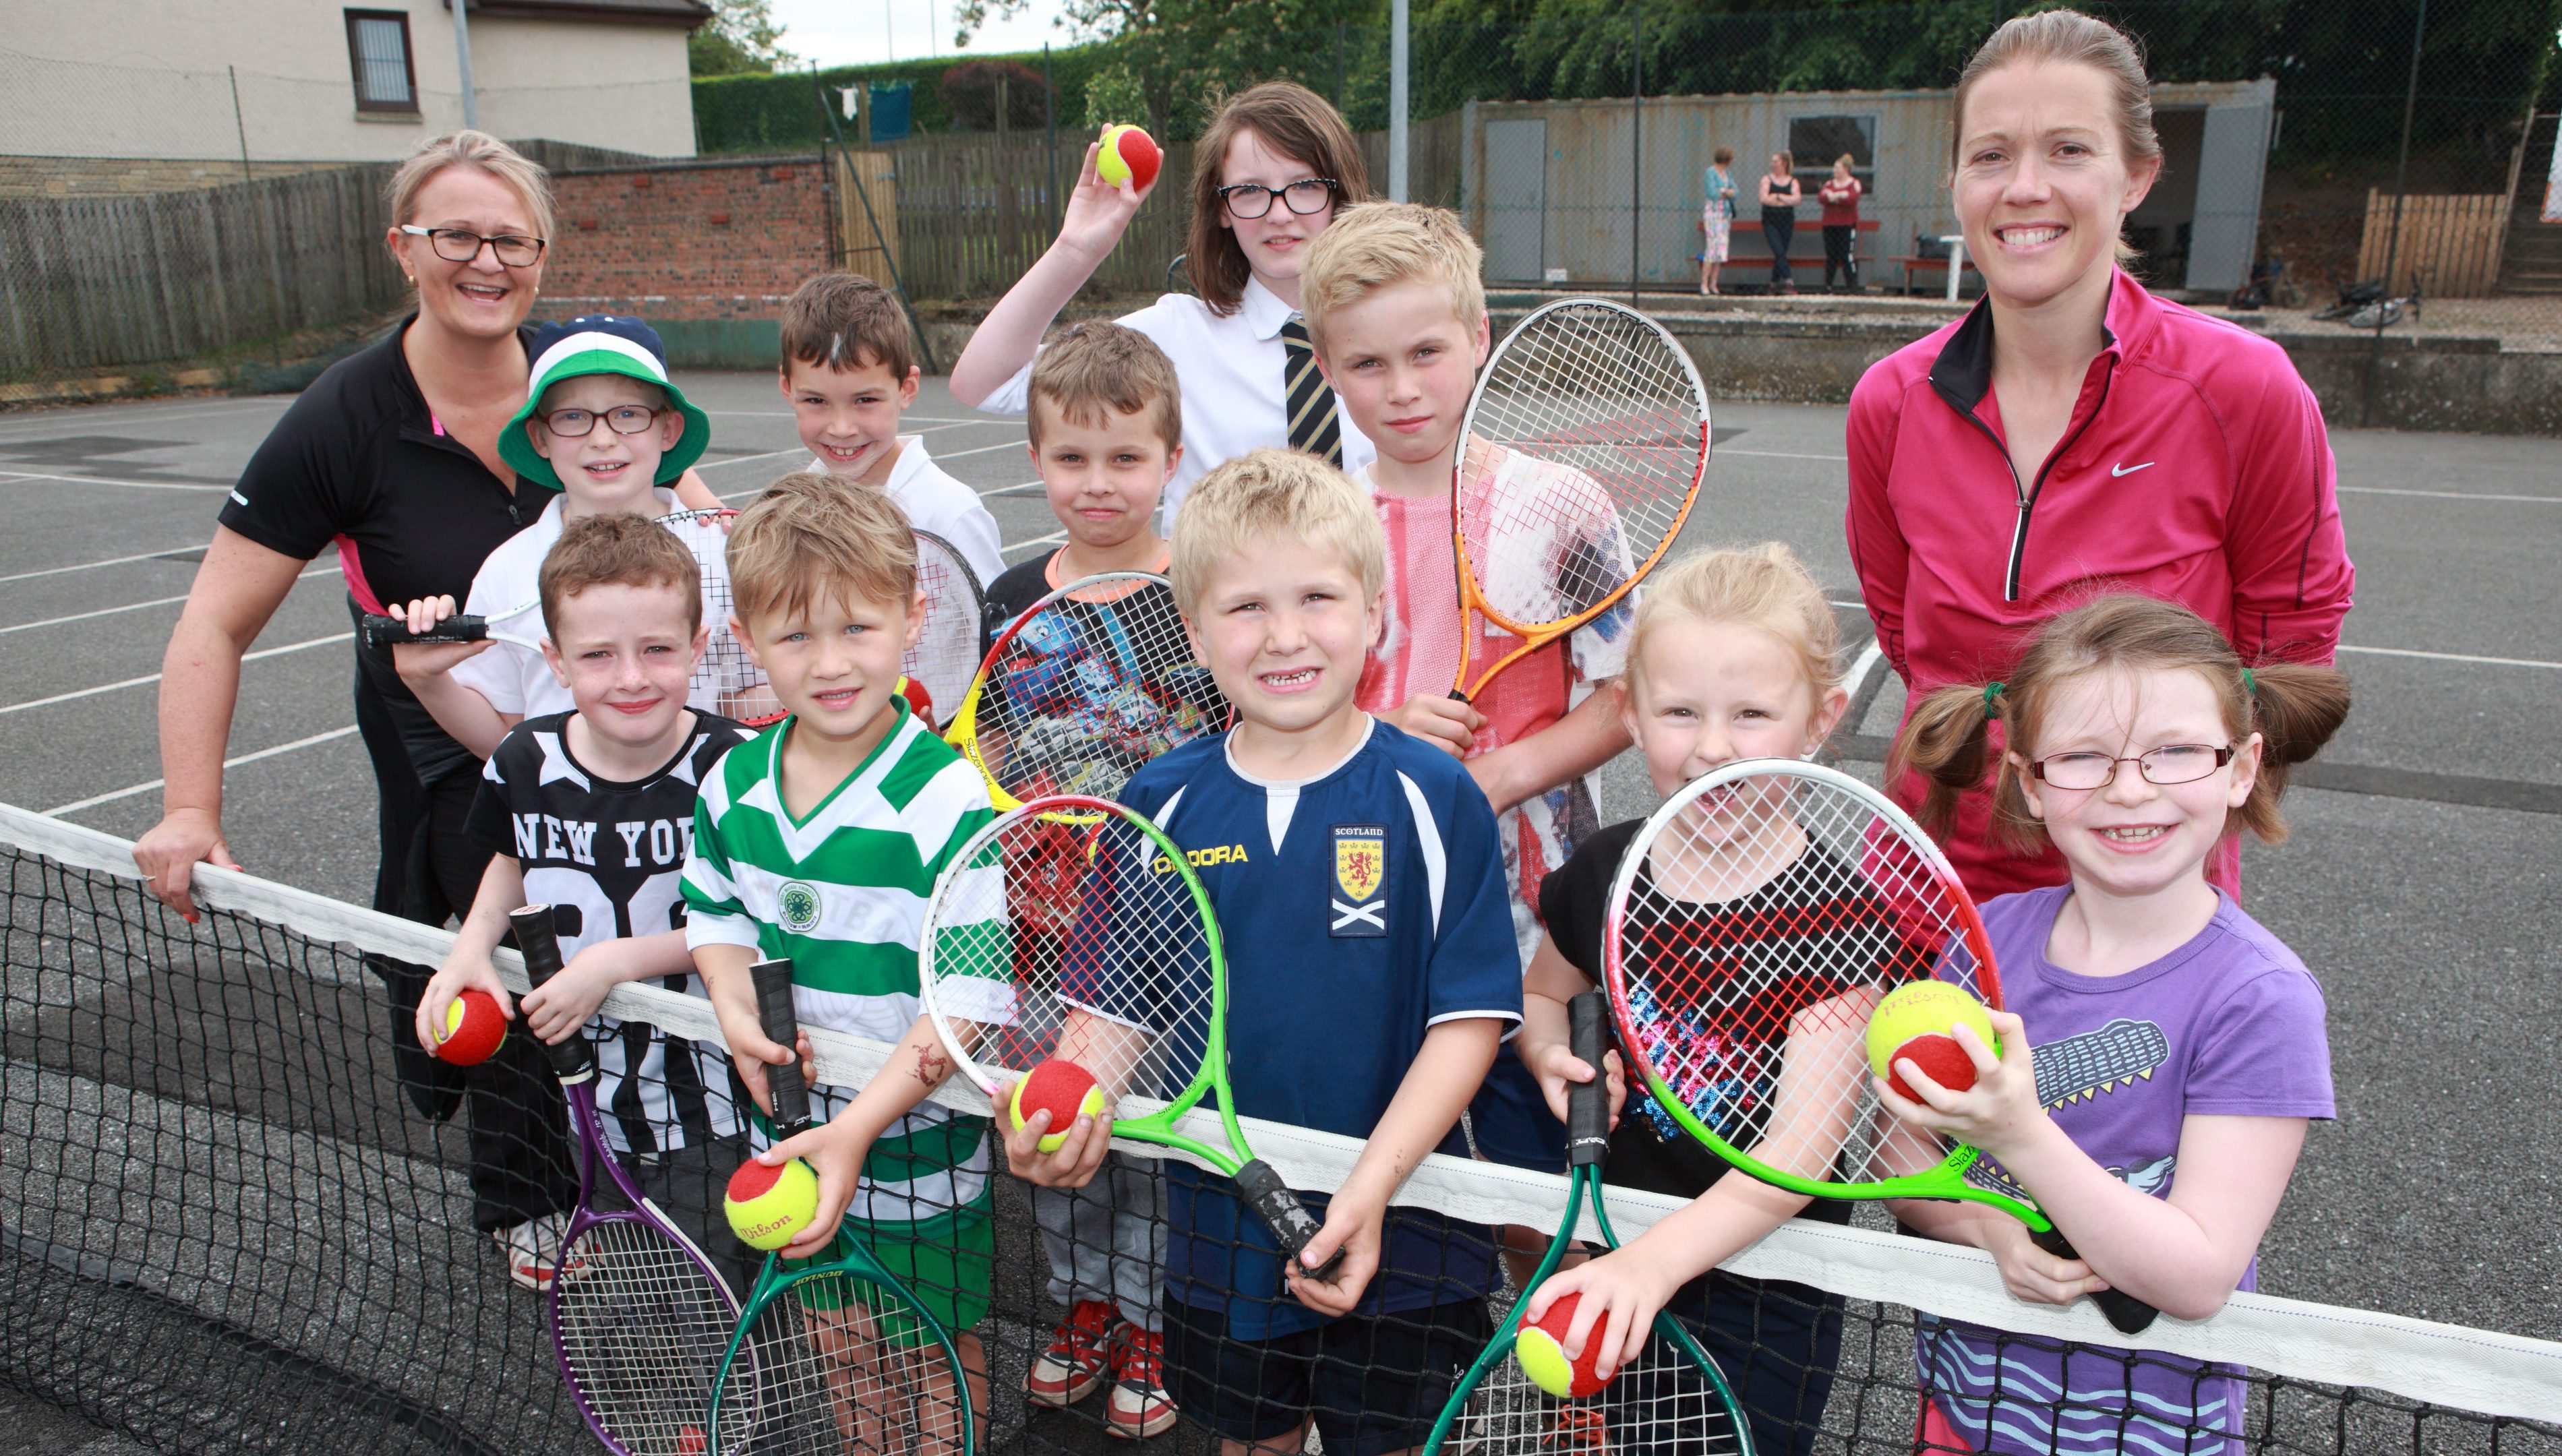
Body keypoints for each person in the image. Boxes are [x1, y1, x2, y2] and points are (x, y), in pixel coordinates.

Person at [133, 132, 719, 1146]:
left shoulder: (580, 385)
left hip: (617, 709)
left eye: (511, 241)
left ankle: (644, 1141)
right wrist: (190, 807)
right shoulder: (340, 420)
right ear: (402, 248)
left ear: (541, 256)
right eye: (456, 236)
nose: (486, 263)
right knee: (493, 929)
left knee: (636, 917)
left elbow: (692, 520)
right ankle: (528, 1190)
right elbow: (213, 621)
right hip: (439, 717)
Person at [1003, 450, 1520, 1456]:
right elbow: (1119, 1002)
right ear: (1194, 633)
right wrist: (1072, 1093)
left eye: (1318, 597)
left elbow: (1468, 1023)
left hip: (1413, 1227)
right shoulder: (1163, 802)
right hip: (1218, 1232)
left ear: (1373, 614)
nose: (1286, 636)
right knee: (1251, 1442)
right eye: (1244, 608)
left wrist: (1368, 1190)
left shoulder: (1436, 795)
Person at [1844, 7, 2354, 903]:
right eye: (1992, 154)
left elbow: (2287, 661)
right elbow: (1905, 638)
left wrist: (2151, 821)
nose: (2025, 187)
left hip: (2145, 902)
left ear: (2137, 177)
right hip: (1933, 891)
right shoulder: (1890, 403)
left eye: (2069, 151)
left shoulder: (2245, 390)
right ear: (1956, 179)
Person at [1881, 594, 2349, 1455]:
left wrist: (2019, 1137)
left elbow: (2197, 1273)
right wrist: (1985, 1226)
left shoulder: (2259, 1000)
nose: (2129, 790)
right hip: (1960, 1404)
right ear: (2028, 779)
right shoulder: (1984, 946)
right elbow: (1903, 1159)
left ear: (2240, 769)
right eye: (2083, 758)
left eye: (2174, 754)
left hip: (2146, 1431)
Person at [1297, 201, 1632, 1213]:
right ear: (1323, 365)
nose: (1402, 390)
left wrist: (1490, 777)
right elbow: (1268, 716)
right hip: (1366, 904)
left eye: (1428, 352)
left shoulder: (1563, 505)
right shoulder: (1312, 519)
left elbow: (1626, 700)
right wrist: (1372, 740)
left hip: (1538, 925)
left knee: (1547, 1200)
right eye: (1366, 365)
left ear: (1480, 337)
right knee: (1393, 1182)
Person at [1509, 545, 1857, 1456]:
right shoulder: (1602, 872)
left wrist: (1647, 1270)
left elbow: (1800, 1152)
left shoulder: (1841, 915)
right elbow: (1545, 997)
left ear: (1821, 718)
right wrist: (1549, 1054)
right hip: (1619, 1256)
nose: (1711, 748)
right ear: (1629, 714)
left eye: (1751, 715)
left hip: (1768, 1293)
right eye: (1678, 712)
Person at [684, 475, 999, 1436]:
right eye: (794, 636)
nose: (829, 663)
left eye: (857, 628)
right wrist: (736, 1013)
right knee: (840, 1346)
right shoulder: (732, 785)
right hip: (787, 1137)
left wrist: (856, 1132)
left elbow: (971, 1003)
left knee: (934, 1353)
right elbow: (718, 922)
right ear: (746, 640)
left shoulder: (946, 800)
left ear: (914, 618)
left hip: (920, 1154)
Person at [413, 514, 759, 1290]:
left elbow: (743, 919)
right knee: (639, 1268)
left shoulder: (733, 769)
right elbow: (513, 855)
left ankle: (718, 1406)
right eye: (598, 655)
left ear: (698, 649)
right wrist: (470, 948)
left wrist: (608, 963)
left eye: (657, 650)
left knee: (709, 1278)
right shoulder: (523, 758)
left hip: (715, 1097)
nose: (630, 678)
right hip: (590, 1090)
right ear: (555, 661)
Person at [986, 318, 1185, 1438]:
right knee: (1053, 1121)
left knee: (1148, 1137)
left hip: (1162, 931)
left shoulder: (1200, 595)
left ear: (1169, 460)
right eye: (1071, 457)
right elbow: (994, 752)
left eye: (1125, 457)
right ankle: (1084, 1308)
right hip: (1039, 927)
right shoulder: (1011, 594)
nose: (1097, 482)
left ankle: (1154, 1321)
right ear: (1036, 460)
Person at [949, 84, 1379, 524]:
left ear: (1339, 192)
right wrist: (1074, 251)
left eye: (1304, 185)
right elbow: (983, 384)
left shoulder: (1392, 337)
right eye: (1250, 190)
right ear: (1221, 208)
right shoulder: (1177, 335)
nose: (1279, 213)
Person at [386, 314, 718, 758]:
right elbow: (504, 739)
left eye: (627, 414)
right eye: (573, 416)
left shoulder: (723, 550)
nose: (602, 439)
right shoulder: (507, 569)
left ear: (668, 430)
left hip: (717, 822)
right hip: (566, 824)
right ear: (539, 437)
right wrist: (425, 681)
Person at [781, 272, 1005, 586]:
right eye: (816, 400)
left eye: (865, 400)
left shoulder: (951, 515)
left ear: (907, 388)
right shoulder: (791, 508)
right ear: (787, 388)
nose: (842, 428)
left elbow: (994, 630)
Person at [1757, 151, 1803, 295]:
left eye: (1775, 162)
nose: (1772, 164)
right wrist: (1785, 199)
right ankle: (1789, 280)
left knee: (1782, 250)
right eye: (1772, 162)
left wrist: (1778, 196)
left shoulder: (1793, 181)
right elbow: (1764, 199)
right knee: (1778, 249)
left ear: (1784, 164)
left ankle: (1773, 283)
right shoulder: (1767, 180)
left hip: (1787, 220)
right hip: (1770, 219)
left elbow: (1797, 200)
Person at [1818, 153, 1863, 293]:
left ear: (1845, 168)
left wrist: (1837, 197)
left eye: (1837, 168)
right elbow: (1822, 197)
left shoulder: (1854, 183)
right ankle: (1828, 285)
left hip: (1847, 224)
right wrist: (1835, 197)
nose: (1835, 170)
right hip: (1830, 224)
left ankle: (1852, 286)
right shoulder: (1829, 184)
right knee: (1831, 255)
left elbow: (1852, 199)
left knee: (1846, 255)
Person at [1699, 146, 1737, 295]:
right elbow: (1712, 193)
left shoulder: (1727, 173)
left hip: (1724, 215)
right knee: (1712, 248)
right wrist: (1726, 192)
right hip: (1713, 214)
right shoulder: (1711, 172)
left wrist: (1725, 192)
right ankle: (1704, 284)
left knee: (1721, 249)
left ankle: (1713, 284)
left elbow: (1735, 192)